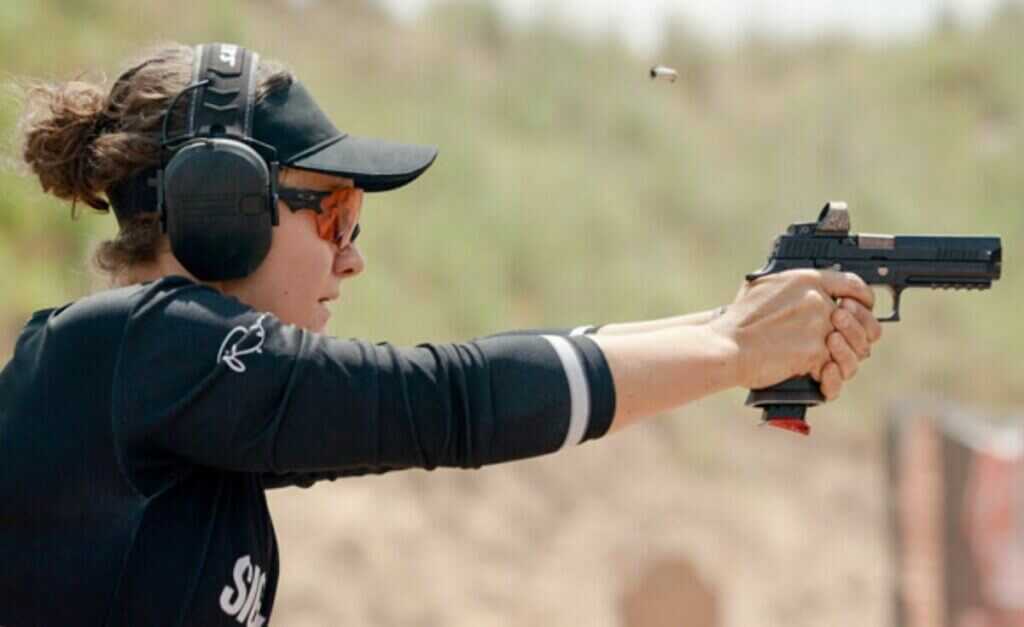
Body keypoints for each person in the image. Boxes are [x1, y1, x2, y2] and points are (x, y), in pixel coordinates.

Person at [0, 42, 882, 626]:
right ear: (220, 209)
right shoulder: (145, 347)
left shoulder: (158, 386)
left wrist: (734, 327)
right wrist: (732, 349)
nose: (351, 256)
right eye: (333, 212)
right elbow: (449, 400)